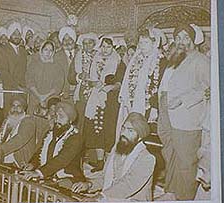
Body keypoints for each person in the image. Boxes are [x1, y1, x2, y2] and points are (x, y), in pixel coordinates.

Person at [157, 23, 210, 200]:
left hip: (186, 118)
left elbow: (209, 88)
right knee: (170, 154)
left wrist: (183, 100)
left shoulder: (201, 60)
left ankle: (186, 197)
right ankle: (172, 192)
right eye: (178, 37)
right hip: (167, 114)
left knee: (187, 161)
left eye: (186, 37)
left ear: (194, 40)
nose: (181, 41)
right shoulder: (175, 58)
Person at [73, 113, 156, 201]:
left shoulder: (147, 158)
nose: (124, 133)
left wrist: (99, 197)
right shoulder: (117, 149)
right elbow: (104, 177)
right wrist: (89, 184)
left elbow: (128, 186)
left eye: (130, 130)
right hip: (109, 197)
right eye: (123, 128)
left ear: (140, 136)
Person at [83, 37, 125, 172]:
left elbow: (120, 84)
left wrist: (110, 87)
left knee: (108, 129)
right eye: (103, 46)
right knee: (97, 129)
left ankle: (108, 163)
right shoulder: (95, 60)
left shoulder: (119, 62)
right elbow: (89, 80)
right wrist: (94, 83)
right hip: (96, 98)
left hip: (111, 101)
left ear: (113, 47)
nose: (105, 49)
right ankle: (100, 161)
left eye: (108, 46)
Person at [20, 101, 86, 188]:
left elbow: (62, 159)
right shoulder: (49, 133)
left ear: (70, 120)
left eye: (61, 116)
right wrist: (32, 164)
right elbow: (39, 153)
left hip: (69, 178)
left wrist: (39, 173)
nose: (57, 119)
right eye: (56, 116)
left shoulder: (75, 137)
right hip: (48, 176)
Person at [26, 40, 65, 141]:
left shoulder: (57, 67)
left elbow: (58, 85)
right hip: (34, 100)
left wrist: (46, 96)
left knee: (48, 129)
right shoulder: (33, 65)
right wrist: (39, 96)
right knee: (32, 128)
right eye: (46, 49)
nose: (48, 52)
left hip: (51, 101)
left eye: (51, 50)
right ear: (41, 50)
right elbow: (29, 81)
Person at [0, 96, 36, 168]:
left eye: (19, 106)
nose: (15, 108)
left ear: (24, 108)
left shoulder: (28, 121)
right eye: (13, 105)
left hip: (19, 160)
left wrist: (1, 149)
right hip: (3, 156)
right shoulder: (8, 120)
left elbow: (20, 139)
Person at [67, 33, 99, 131]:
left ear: (94, 44)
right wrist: (79, 76)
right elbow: (70, 78)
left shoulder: (100, 56)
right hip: (81, 94)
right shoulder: (78, 57)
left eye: (90, 43)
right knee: (80, 121)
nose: (88, 45)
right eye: (85, 43)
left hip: (97, 93)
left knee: (94, 122)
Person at [0, 22, 27, 116]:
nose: (16, 36)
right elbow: (3, 72)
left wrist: (26, 88)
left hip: (22, 92)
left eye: (18, 34)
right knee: (9, 117)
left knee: (21, 118)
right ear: (9, 35)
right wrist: (17, 87)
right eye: (14, 34)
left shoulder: (23, 51)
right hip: (10, 90)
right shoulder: (1, 50)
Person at [54, 26, 78, 99]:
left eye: (70, 39)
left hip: (80, 92)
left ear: (74, 40)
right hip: (64, 94)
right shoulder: (56, 56)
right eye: (64, 40)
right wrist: (64, 91)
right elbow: (56, 77)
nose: (67, 42)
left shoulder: (81, 53)